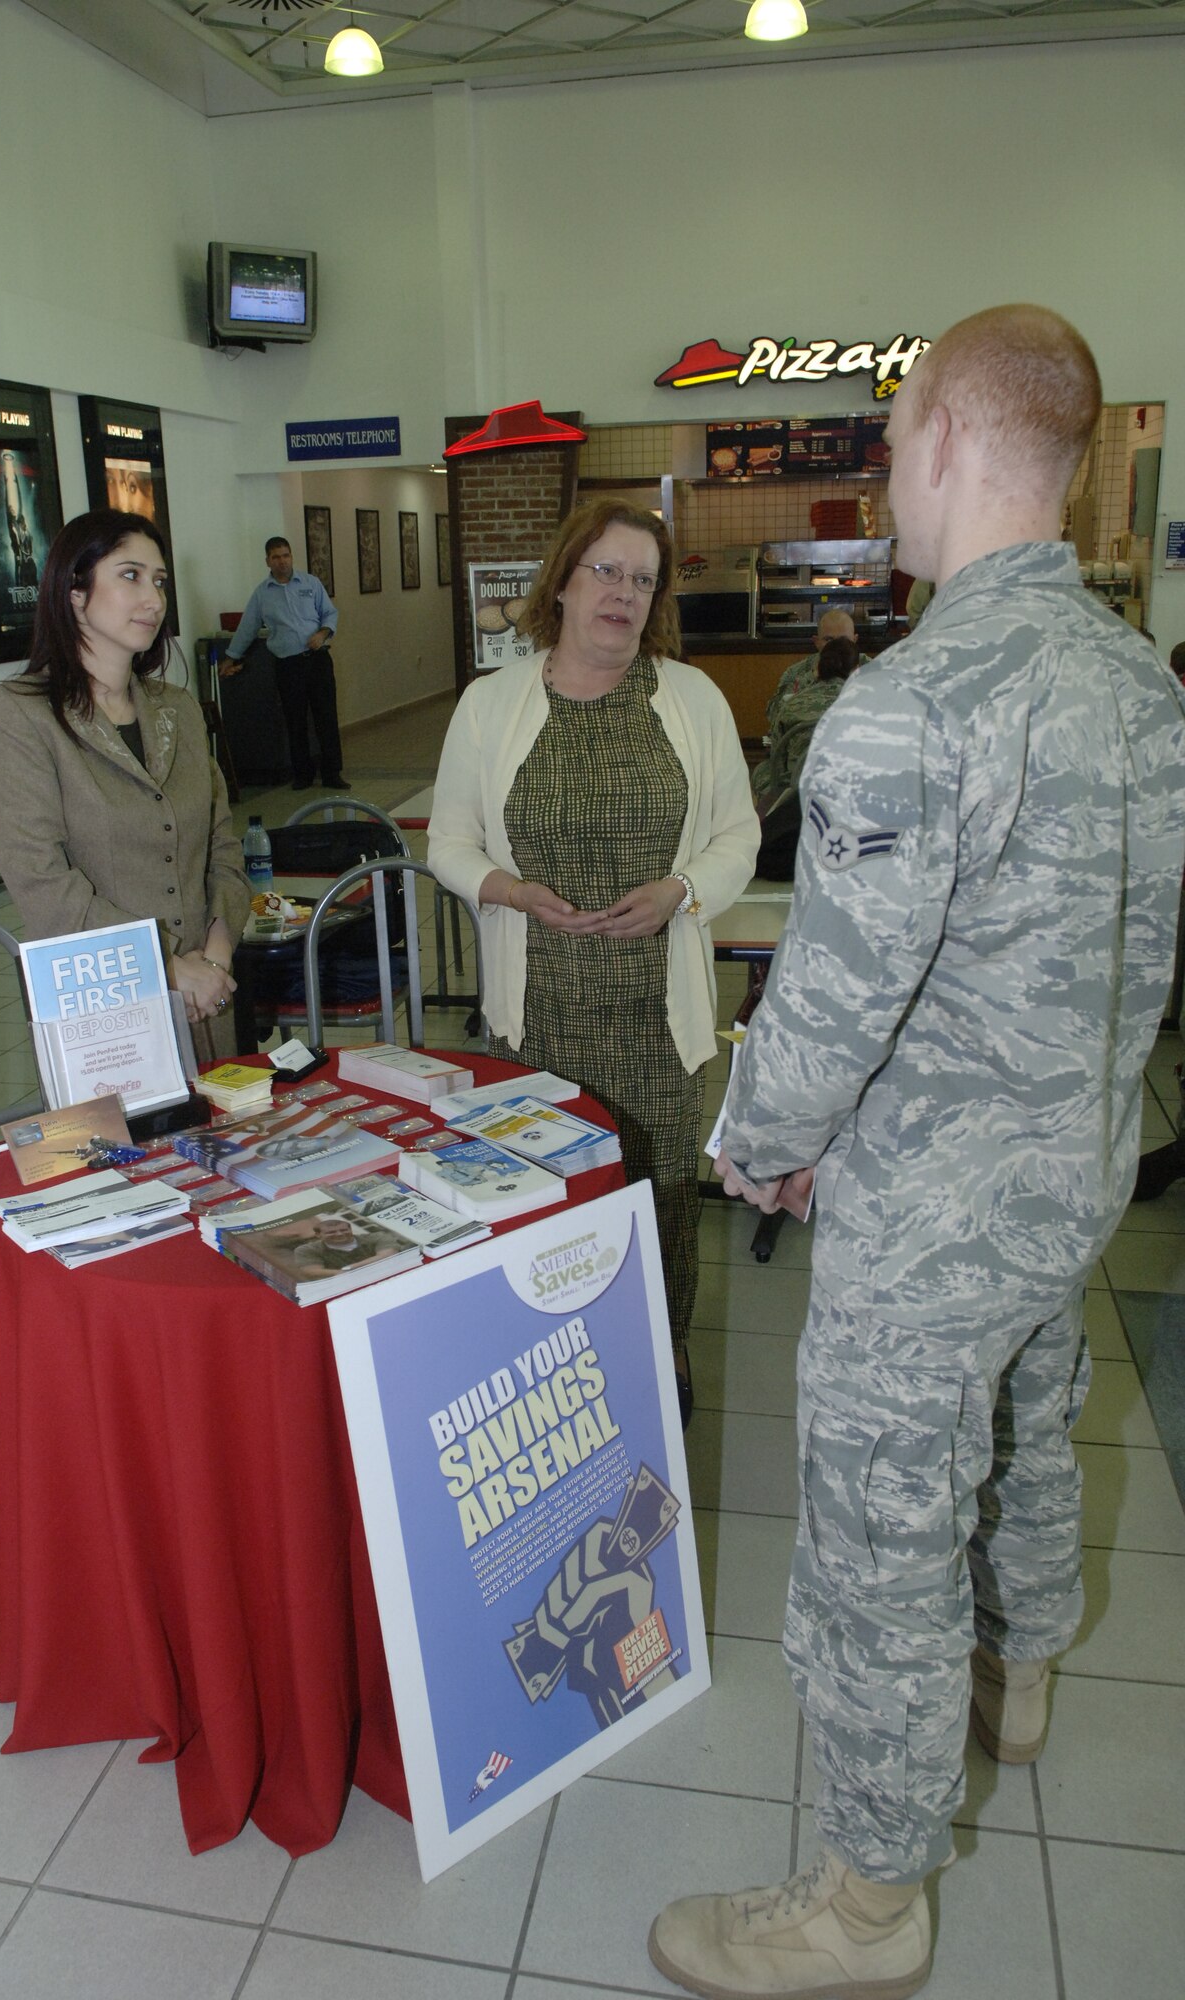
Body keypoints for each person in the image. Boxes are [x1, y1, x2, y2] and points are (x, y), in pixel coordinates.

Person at [650, 306, 1185, 2000]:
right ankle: (1015, 1682)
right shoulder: (1138, 682)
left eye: (886, 439)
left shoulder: (911, 699)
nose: (879, 471)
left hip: (932, 1218)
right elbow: (1136, 958)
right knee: (1029, 1424)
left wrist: (759, 1144)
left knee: (881, 1531)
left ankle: (864, 1906)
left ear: (951, 433)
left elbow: (828, 997)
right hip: (1069, 1172)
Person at [429, 499, 759, 1423]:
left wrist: (681, 891)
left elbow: (738, 833)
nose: (623, 593)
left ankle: (661, 1365)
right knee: (547, 1207)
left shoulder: (691, 700)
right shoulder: (491, 704)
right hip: (538, 1015)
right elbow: (450, 841)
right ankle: (553, 1377)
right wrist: (507, 889)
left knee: (659, 1210)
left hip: (660, 1020)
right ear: (564, 581)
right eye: (606, 572)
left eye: (643, 580)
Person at [0, 509, 249, 1060]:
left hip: (206, 999)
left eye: (160, 581)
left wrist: (214, 961)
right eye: (130, 575)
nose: (153, 598)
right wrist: (168, 970)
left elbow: (223, 846)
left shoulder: (177, 710)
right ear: (75, 592)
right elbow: (43, 883)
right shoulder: (15, 716)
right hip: (106, 1018)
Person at [224, 536, 347, 791]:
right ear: (268, 561)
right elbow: (248, 627)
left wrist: (322, 633)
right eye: (276, 557)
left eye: (286, 555)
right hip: (288, 666)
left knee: (326, 718)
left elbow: (330, 613)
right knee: (295, 721)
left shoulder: (310, 584)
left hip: (318, 660)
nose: (282, 561)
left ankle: (332, 773)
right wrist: (231, 656)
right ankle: (302, 774)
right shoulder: (262, 594)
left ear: (292, 556)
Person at [752, 636, 861, 882]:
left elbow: (776, 748)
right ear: (856, 670)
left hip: (796, 787)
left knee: (761, 770)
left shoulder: (793, 704)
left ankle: (770, 824)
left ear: (818, 668)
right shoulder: (864, 703)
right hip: (848, 788)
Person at [764, 607, 862, 734]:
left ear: (855, 640)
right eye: (829, 640)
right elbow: (775, 717)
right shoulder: (796, 673)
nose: (836, 646)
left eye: (844, 640)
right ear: (816, 642)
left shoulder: (874, 671)